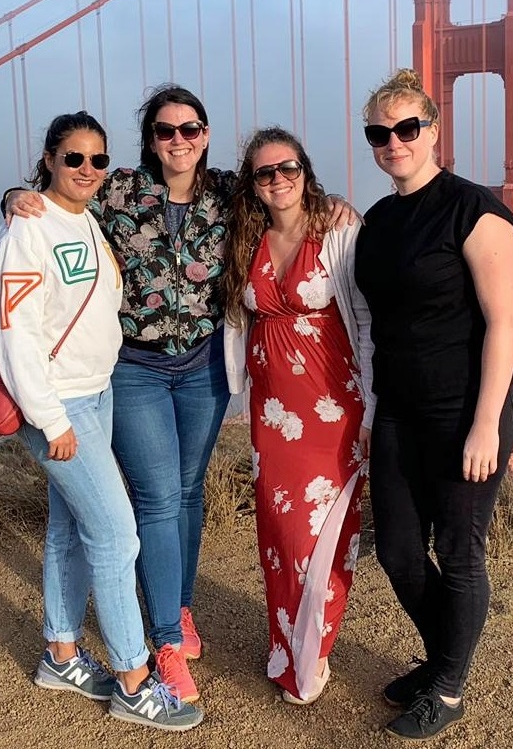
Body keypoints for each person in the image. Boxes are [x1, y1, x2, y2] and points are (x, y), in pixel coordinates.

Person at [4, 85, 354, 702]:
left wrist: (336, 210)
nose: (179, 141)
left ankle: (181, 606)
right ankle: (164, 639)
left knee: (189, 493)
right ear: (150, 140)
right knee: (160, 499)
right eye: (165, 132)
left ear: (207, 135)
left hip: (203, 370)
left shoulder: (228, 192)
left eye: (190, 130)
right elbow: (58, 200)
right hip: (135, 370)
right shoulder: (116, 188)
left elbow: (290, 201)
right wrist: (14, 197)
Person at [0, 111, 202, 732]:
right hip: (62, 405)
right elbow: (16, 331)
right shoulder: (28, 229)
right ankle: (135, 681)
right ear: (50, 159)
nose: (88, 170)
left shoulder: (87, 220)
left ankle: (60, 652)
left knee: (71, 530)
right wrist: (50, 418)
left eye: (98, 160)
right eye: (74, 158)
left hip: (98, 392)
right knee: (117, 535)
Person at [353, 69, 513, 741]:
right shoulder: (376, 219)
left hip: (466, 409)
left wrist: (485, 423)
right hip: (399, 406)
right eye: (378, 132)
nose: (393, 141)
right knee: (397, 551)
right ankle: (445, 654)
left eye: (406, 128)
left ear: (432, 132)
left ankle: (447, 685)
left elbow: (503, 324)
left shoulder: (473, 210)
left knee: (458, 550)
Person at [222, 127, 374, 705]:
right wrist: (16, 196)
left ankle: (313, 652)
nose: (278, 180)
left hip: (334, 406)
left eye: (288, 168)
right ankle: (284, 641)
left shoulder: (337, 230)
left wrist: (372, 408)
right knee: (281, 534)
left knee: (326, 535)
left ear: (306, 171)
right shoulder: (244, 236)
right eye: (265, 173)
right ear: (253, 186)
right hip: (271, 412)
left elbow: (364, 320)